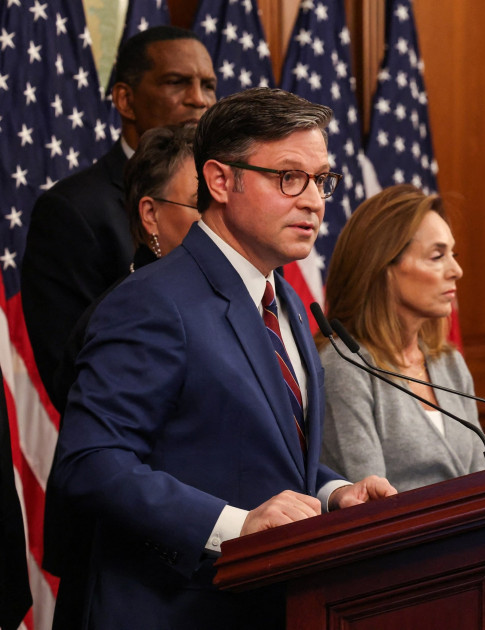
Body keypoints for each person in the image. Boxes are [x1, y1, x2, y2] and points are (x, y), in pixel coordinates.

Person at [49, 88, 395, 629]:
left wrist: (331, 493)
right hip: (176, 609)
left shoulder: (284, 302)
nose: (313, 200)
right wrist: (235, 526)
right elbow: (91, 463)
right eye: (288, 177)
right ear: (219, 181)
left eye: (321, 179)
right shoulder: (153, 301)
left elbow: (257, 443)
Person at [22, 26, 216, 399]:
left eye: (208, 85)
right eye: (177, 82)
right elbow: (71, 373)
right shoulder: (70, 211)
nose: (199, 100)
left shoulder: (233, 200)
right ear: (125, 100)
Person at [318, 184, 485, 492]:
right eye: (437, 256)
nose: (457, 270)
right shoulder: (345, 367)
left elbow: (484, 478)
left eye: (453, 254)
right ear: (384, 267)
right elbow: (369, 504)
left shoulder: (449, 362)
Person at [49, 123, 201, 413]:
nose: (216, 220)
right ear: (150, 214)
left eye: (222, 203)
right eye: (200, 203)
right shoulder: (128, 316)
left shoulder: (230, 296)